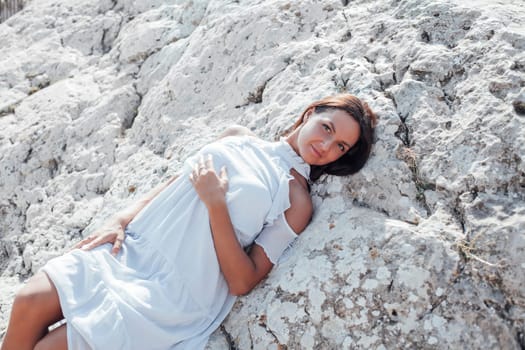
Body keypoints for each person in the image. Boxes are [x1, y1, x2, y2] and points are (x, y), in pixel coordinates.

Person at [1, 93, 377, 350]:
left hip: (173, 293)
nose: (327, 146)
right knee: (29, 301)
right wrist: (120, 218)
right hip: (135, 248)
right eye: (328, 128)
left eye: (340, 147)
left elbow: (243, 280)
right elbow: (173, 186)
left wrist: (216, 204)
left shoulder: (296, 200)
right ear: (311, 113)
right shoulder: (237, 137)